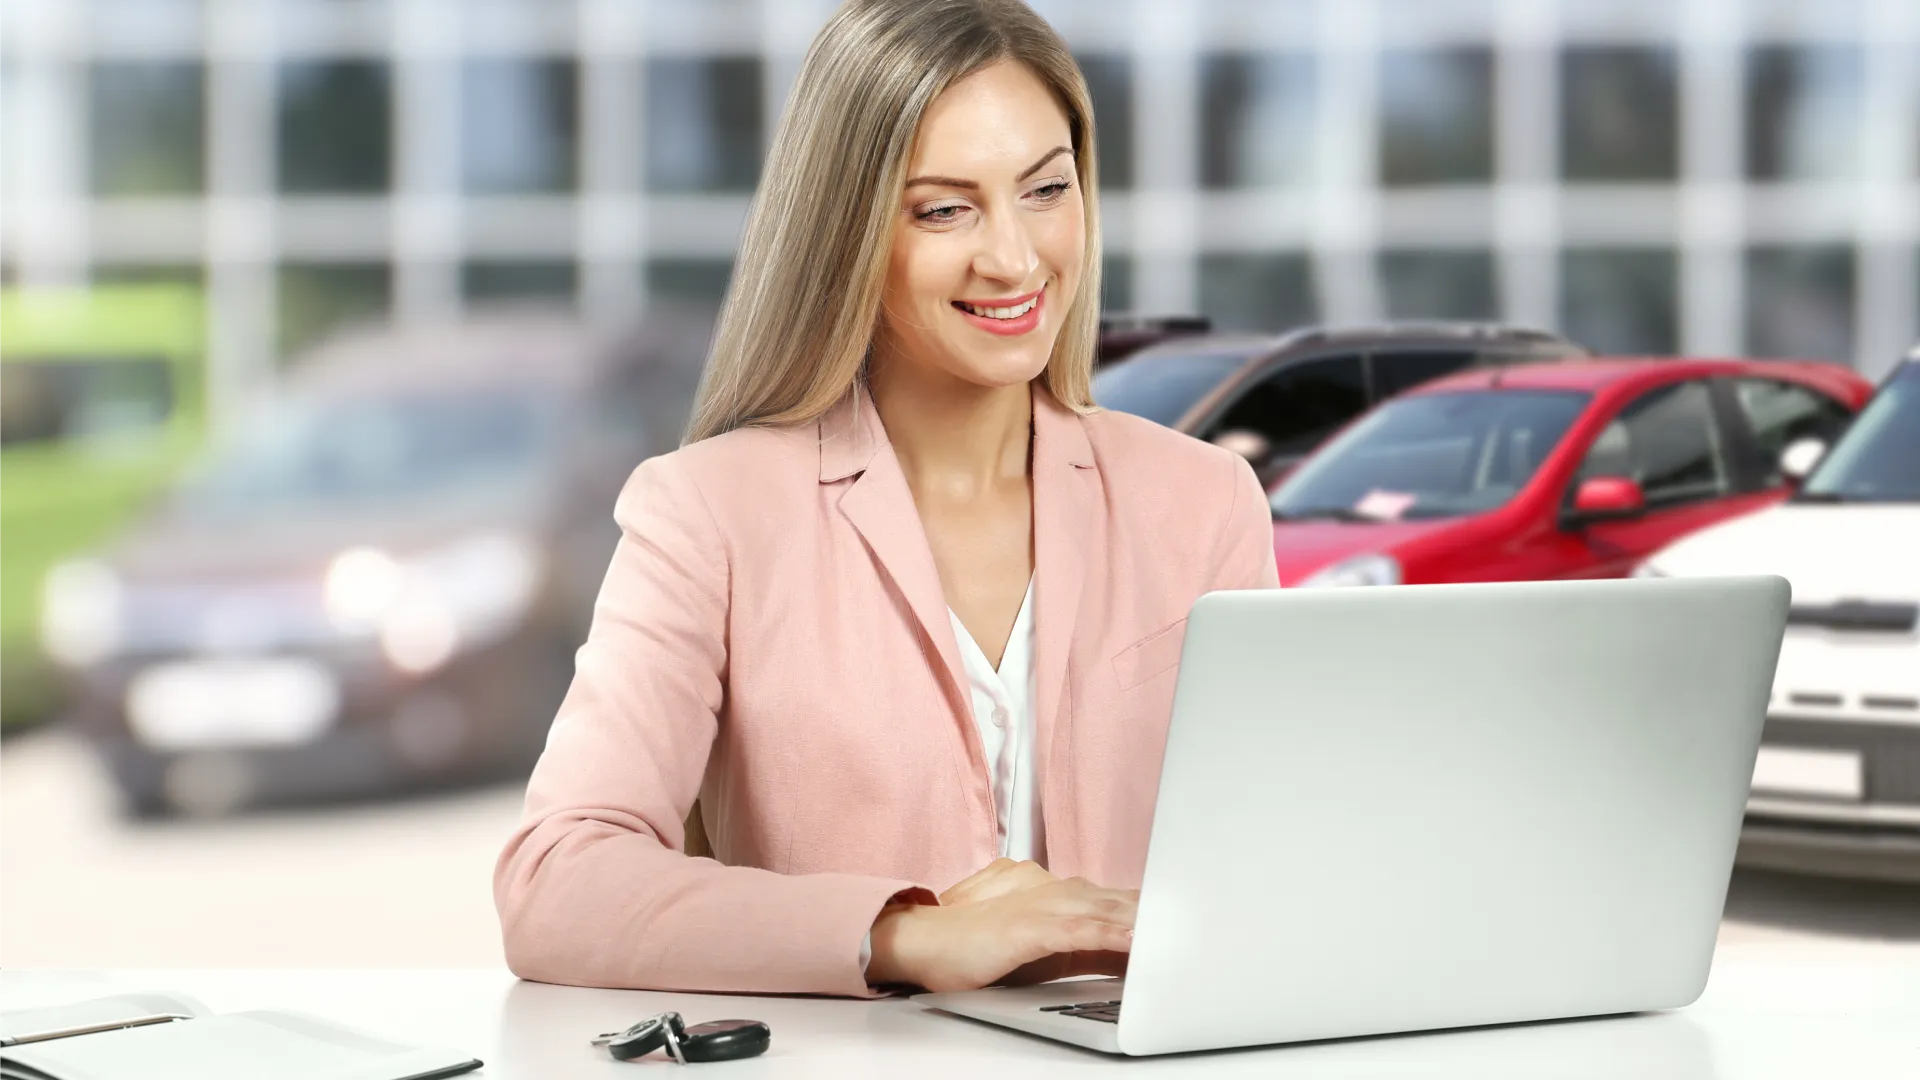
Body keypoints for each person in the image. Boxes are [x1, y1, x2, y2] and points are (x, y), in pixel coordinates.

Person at [493, 0, 1278, 998]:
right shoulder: (708, 514)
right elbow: (557, 883)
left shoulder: (1204, 502)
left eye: (1046, 189)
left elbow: (1278, 858)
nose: (1015, 258)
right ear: (850, 229)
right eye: (944, 209)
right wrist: (904, 936)